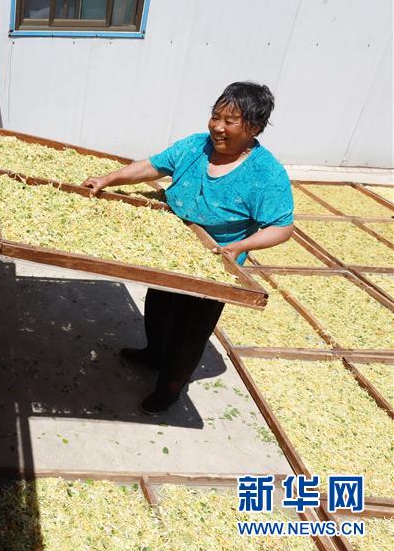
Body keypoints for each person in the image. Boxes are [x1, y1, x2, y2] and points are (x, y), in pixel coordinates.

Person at [81, 82, 295, 415]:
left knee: (190, 330)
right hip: (175, 243)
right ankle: (153, 353)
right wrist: (108, 179)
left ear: (253, 127)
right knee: (159, 303)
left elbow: (282, 227)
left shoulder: (266, 174)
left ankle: (169, 389)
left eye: (229, 121)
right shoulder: (197, 146)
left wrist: (239, 245)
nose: (217, 127)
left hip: (214, 260)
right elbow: (152, 166)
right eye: (215, 116)